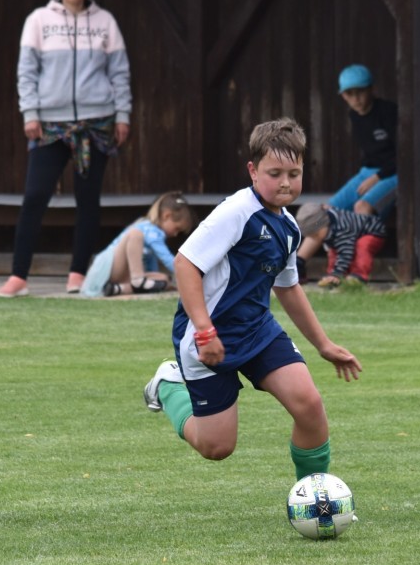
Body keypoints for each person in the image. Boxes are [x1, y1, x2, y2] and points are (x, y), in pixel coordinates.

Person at [142, 118, 361, 481]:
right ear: (253, 171)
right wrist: (205, 331)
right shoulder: (236, 212)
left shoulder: (289, 227)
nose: (285, 182)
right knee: (217, 447)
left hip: (258, 331)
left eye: (294, 173)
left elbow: (288, 287)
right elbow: (185, 264)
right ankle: (168, 386)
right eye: (275, 173)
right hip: (209, 337)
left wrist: (324, 345)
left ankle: (315, 497)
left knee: (309, 405)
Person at [0, 0, 132, 297]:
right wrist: (30, 112)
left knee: (88, 201)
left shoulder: (105, 22)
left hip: (96, 124)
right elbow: (26, 72)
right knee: (35, 196)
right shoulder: (38, 21)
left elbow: (120, 73)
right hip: (50, 125)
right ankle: (18, 276)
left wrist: (123, 115)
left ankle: (77, 274)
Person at [297, 64, 397, 283]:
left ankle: (355, 269)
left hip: (394, 173)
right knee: (327, 210)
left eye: (360, 92)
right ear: (343, 96)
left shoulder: (389, 112)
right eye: (350, 94)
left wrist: (378, 177)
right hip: (369, 172)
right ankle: (299, 263)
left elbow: (403, 155)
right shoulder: (355, 116)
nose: (356, 99)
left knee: (362, 206)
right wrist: (370, 176)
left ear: (371, 89)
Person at [80, 191, 196, 297]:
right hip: (110, 266)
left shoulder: (155, 236)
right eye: (176, 229)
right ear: (167, 216)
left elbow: (151, 263)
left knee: (164, 279)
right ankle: (138, 280)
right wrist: (187, 273)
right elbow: (166, 258)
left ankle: (118, 289)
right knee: (135, 234)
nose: (175, 234)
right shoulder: (148, 228)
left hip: (125, 276)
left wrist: (159, 282)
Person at [293, 202, 387, 287]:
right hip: (353, 235)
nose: (316, 238)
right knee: (333, 251)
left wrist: (337, 273)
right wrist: (333, 273)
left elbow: (346, 253)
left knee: (362, 246)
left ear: (325, 224)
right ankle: (333, 277)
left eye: (316, 235)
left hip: (373, 231)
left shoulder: (342, 229)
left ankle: (359, 276)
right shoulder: (327, 221)